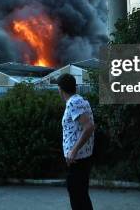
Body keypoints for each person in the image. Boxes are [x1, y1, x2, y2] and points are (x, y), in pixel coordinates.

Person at [57, 73, 95, 210]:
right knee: (81, 196)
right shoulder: (80, 100)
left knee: (78, 198)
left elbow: (89, 127)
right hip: (82, 159)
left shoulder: (74, 102)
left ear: (60, 89)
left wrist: (73, 151)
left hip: (77, 160)